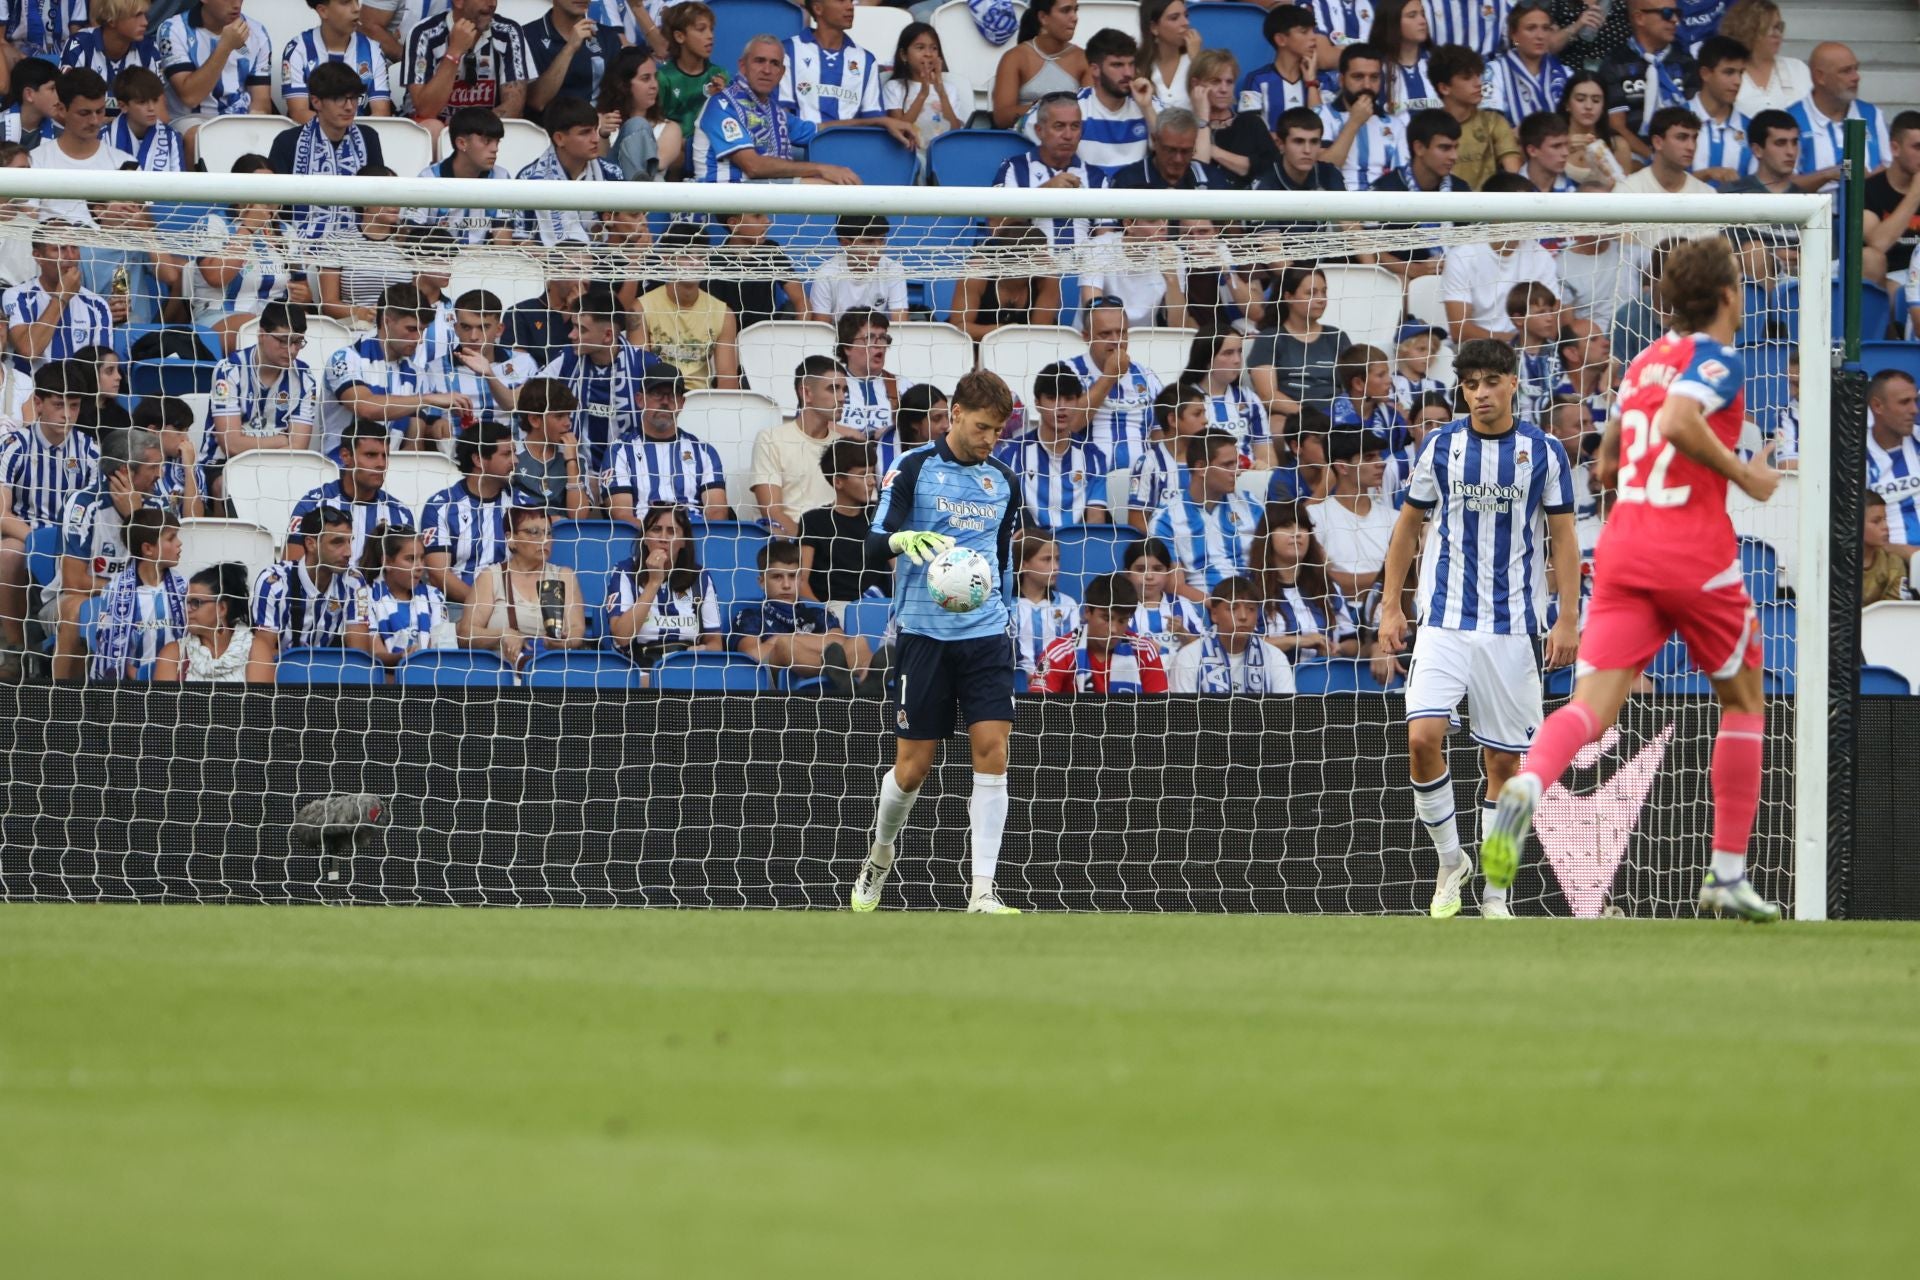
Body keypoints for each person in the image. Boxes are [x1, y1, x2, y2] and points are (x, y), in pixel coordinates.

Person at [1482, 236, 1784, 922]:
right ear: (1729, 296)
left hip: (1622, 550)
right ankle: (1728, 874)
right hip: (1692, 552)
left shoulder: (1645, 361)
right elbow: (1679, 422)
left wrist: (1624, 472)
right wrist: (1745, 475)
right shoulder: (1719, 361)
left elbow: (1609, 457)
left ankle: (1527, 786)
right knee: (1742, 702)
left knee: (1590, 712)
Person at [1373, 338, 1579, 919]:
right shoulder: (1440, 446)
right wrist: (1392, 607)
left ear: (1513, 383)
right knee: (1420, 737)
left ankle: (1496, 894)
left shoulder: (1543, 452)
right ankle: (1450, 858)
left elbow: (1563, 539)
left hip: (1513, 629)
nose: (1481, 394)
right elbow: (1407, 528)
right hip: (1443, 620)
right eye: (1470, 385)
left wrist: (1567, 616)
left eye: (1491, 382)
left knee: (1506, 768)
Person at [854, 369, 1021, 914]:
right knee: (913, 767)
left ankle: (982, 891)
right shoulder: (913, 468)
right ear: (953, 415)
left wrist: (1003, 607)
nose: (989, 439)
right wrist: (902, 538)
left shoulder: (1003, 480)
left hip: (986, 634)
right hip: (924, 635)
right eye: (981, 427)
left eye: (997, 430)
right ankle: (880, 856)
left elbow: (1001, 556)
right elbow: (874, 544)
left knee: (993, 750)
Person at [0, 361, 99, 667]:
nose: (67, 414)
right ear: (39, 404)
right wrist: (38, 542)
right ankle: (16, 647)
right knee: (8, 554)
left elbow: (97, 512)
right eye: (59, 405)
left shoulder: (90, 450)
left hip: (76, 543)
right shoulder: (14, 446)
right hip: (25, 534)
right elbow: (1, 512)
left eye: (74, 405)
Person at [54, 424, 164, 679]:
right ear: (126, 469)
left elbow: (162, 572)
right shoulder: (83, 505)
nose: (159, 475)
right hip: (77, 600)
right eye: (152, 467)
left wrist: (135, 519)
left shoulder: (156, 505)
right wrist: (128, 590)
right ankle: (60, 697)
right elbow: (73, 583)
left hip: (141, 597)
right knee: (77, 608)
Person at [690, 35, 855, 185]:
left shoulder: (774, 111)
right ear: (742, 66)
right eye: (759, 61)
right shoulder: (721, 105)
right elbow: (753, 166)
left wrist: (876, 121)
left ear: (781, 73)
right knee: (826, 188)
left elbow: (820, 129)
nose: (767, 70)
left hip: (762, 194)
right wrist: (822, 169)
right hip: (721, 202)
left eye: (774, 63)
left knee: (839, 187)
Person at [534, 286, 662, 474]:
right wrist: (489, 375)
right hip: (578, 471)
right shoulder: (568, 359)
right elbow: (518, 400)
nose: (571, 335)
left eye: (581, 329)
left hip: (635, 472)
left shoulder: (645, 366)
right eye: (573, 326)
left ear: (607, 335)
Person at [199, 301, 318, 503]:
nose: (291, 350)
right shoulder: (229, 370)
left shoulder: (305, 378)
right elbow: (231, 445)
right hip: (223, 463)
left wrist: (260, 445)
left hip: (280, 464)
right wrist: (280, 440)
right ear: (262, 334)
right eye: (283, 340)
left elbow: (298, 447)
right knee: (226, 487)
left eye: (298, 342)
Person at [728, 539, 878, 692]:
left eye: (792, 576)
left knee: (858, 642)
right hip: (773, 684)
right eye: (777, 577)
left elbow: (838, 640)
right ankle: (840, 674)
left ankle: (869, 682)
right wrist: (787, 643)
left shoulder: (818, 613)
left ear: (800, 579)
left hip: (818, 672)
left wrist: (782, 639)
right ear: (761, 582)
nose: (786, 585)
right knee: (786, 646)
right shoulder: (749, 615)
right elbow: (752, 654)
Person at [456, 501, 586, 665]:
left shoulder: (564, 576)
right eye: (534, 532)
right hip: (501, 672)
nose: (544, 539)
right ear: (511, 539)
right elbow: (465, 634)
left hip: (552, 670)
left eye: (548, 533)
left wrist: (564, 642)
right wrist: (502, 635)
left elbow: (577, 630)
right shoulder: (491, 576)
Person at [246, 505, 367, 681]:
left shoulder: (355, 582)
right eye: (337, 542)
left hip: (329, 681)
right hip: (281, 680)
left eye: (350, 541)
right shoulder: (272, 582)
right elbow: (263, 653)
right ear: (311, 543)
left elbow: (359, 658)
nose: (349, 552)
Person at [781, 0, 915, 149]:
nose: (850, 7)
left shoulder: (866, 59)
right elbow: (783, 119)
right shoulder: (788, 51)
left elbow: (873, 119)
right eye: (841, 1)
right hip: (802, 148)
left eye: (851, 1)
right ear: (818, 8)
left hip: (851, 149)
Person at [605, 502, 724, 670]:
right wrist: (654, 582)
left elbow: (715, 643)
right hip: (638, 670)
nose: (663, 538)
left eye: (672, 531)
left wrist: (702, 649)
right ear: (645, 538)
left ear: (683, 540)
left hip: (688, 668)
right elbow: (622, 637)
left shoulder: (700, 576)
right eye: (656, 529)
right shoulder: (626, 571)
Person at [603, 366, 729, 523]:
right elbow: (621, 514)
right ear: (640, 399)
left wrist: (683, 541)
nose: (665, 401)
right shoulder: (619, 450)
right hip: (641, 539)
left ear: (682, 402)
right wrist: (657, 538)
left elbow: (717, 512)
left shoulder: (704, 452)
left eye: (673, 395)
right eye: (657, 394)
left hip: (694, 537)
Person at [1440, 180, 1560, 341]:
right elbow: (1459, 331)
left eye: (1531, 208)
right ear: (1494, 210)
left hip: (1529, 349)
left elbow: (1552, 326)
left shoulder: (1541, 256)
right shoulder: (1462, 256)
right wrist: (1513, 342)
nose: (1528, 215)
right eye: (1521, 208)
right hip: (1479, 352)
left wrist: (1521, 346)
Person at [288, 417, 415, 567]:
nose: (381, 464)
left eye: (385, 456)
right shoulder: (313, 505)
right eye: (371, 455)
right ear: (345, 456)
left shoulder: (400, 514)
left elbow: (407, 580)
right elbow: (294, 571)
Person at [1151, 431, 1260, 600]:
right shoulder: (1166, 519)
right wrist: (1218, 606)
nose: (1237, 472)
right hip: (1202, 610)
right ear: (1201, 468)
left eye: (1236, 464)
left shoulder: (1250, 504)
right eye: (1227, 465)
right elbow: (1174, 585)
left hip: (1255, 603)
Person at [1000, 361, 1108, 529]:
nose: (1061, 407)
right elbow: (1006, 518)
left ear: (1079, 401)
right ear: (1037, 402)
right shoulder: (1011, 455)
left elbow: (1096, 521)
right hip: (1028, 549)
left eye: (1069, 398)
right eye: (1052, 398)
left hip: (1077, 548)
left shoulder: (1094, 457)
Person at [418, 420, 515, 607]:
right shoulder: (441, 506)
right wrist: (484, 606)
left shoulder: (522, 504)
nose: (515, 461)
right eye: (506, 454)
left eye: (514, 453)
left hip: (511, 608)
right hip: (457, 608)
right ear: (478, 459)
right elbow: (439, 575)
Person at [1251, 500, 1360, 663]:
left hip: (1323, 679)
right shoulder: (1250, 589)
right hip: (1270, 683)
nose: (1297, 533)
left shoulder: (1327, 587)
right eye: (1286, 526)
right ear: (1267, 535)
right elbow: (1242, 645)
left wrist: (1339, 648)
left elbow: (1353, 642)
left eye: (1303, 527)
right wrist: (1298, 641)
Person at [991, 93, 1104, 249]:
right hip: (1032, 269)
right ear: (1039, 130)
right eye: (1059, 126)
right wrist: (1045, 192)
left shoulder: (1096, 177)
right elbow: (996, 226)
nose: (1068, 135)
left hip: (1085, 270)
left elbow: (1106, 238)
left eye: (1075, 126)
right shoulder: (1015, 168)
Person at [751, 354, 844, 538]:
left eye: (844, 390)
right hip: (790, 547)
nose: (842, 397)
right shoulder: (771, 439)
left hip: (839, 547)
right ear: (806, 393)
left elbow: (862, 510)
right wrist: (811, 546)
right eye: (833, 389)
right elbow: (772, 512)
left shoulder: (844, 446)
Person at [1032, 570, 1168, 694]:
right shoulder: (1059, 653)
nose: (1114, 629)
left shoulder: (1144, 652)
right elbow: (1037, 711)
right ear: (1087, 612)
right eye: (1106, 618)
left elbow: (1160, 713)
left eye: (1122, 621)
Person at [1064, 297, 1163, 464]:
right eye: (1105, 334)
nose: (1116, 341)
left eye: (1121, 332)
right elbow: (1070, 425)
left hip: (1141, 482)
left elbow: (1161, 436)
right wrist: (1109, 376)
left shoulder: (1147, 376)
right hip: (1087, 481)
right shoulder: (1068, 372)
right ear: (1086, 336)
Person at [5, 226, 114, 375]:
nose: (70, 256)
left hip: (80, 394)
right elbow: (29, 350)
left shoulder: (97, 305)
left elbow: (101, 368)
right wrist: (62, 295)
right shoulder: (17, 296)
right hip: (31, 393)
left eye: (74, 247)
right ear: (38, 256)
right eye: (60, 248)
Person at [1249, 267, 1351, 427]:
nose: (1321, 299)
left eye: (1324, 292)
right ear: (1289, 297)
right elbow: (1268, 395)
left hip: (1338, 414)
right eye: (1311, 293)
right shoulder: (1269, 338)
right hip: (1293, 418)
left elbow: (1354, 384)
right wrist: (1311, 417)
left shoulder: (1337, 336)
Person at [402, 0, 533, 124]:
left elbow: (514, 106)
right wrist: (454, 52)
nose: (492, 3)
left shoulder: (509, 32)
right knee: (433, 127)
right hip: (432, 132)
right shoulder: (424, 33)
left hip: (486, 134)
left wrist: (472, 130)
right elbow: (426, 111)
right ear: (459, 1)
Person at [1598, 0, 1698, 159]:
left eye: (1677, 13)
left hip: (1683, 156)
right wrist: (1653, 159)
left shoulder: (1686, 62)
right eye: (1666, 13)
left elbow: (1696, 117)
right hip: (1635, 159)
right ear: (1639, 18)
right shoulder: (1615, 63)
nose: (1674, 20)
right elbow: (1617, 126)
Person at [155, 0, 273, 132]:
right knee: (196, 138)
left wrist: (255, 125)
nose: (237, 5)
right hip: (190, 119)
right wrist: (225, 47)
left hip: (240, 118)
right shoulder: (173, 29)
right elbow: (190, 97)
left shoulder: (258, 32)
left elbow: (261, 100)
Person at [1787, 41, 1890, 192]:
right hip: (1813, 213)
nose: (1856, 77)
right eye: (1846, 71)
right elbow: (1783, 185)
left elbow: (1891, 168)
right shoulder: (1791, 119)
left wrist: (1864, 181)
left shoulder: (1872, 115)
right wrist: (1829, 175)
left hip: (1868, 213)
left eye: (1856, 69)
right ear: (1820, 77)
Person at [1308, 430, 1396, 606]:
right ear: (1342, 467)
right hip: (1337, 615)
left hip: (1387, 614)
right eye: (1369, 457)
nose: (1381, 463)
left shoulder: (1395, 518)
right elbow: (1318, 580)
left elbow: (1412, 578)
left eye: (1380, 456)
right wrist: (1389, 577)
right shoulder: (1315, 515)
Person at [797, 437, 890, 604]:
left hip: (878, 606)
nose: (871, 481)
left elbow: (898, 569)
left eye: (872, 473)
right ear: (838, 481)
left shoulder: (879, 514)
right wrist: (825, 615)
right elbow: (801, 581)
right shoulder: (813, 521)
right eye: (862, 475)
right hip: (832, 609)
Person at [1169, 575, 1297, 695]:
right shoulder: (1189, 657)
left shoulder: (1274, 657)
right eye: (1233, 608)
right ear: (1214, 614)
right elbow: (1183, 715)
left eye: (1251, 609)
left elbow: (1286, 711)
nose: (1243, 616)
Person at [346, 522, 449, 667]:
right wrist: (401, 657)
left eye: (421, 558)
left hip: (429, 677)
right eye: (411, 559)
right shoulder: (365, 595)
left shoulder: (434, 596)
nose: (420, 566)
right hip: (386, 681)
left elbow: (441, 648)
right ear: (387, 562)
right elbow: (375, 654)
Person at [407, 107, 512, 245]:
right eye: (487, 141)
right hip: (437, 261)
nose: (495, 148)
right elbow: (410, 235)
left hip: (484, 261)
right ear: (462, 143)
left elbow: (503, 244)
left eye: (497, 142)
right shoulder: (428, 179)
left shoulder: (501, 178)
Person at [282, 0, 393, 122]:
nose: (356, 8)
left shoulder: (373, 50)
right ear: (323, 11)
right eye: (346, 2)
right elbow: (299, 113)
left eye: (356, 1)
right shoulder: (299, 49)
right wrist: (338, 131)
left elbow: (381, 114)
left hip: (361, 138)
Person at [1186, 48, 1281, 185]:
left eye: (1229, 82)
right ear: (1196, 84)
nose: (1224, 89)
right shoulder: (1184, 126)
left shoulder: (1251, 123)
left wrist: (1212, 151)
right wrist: (1202, 118)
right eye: (1215, 81)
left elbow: (1270, 167)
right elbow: (1199, 170)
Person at [950, 225, 1061, 341]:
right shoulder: (976, 274)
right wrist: (1006, 331)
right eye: (1042, 255)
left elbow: (1039, 335)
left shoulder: (1048, 278)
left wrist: (1011, 333)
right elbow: (959, 328)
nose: (1049, 260)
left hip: (1025, 349)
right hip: (975, 349)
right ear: (1021, 259)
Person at [1318, 42, 1402, 191]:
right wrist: (1354, 122)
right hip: (1334, 207)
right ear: (1342, 80)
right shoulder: (1320, 116)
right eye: (1358, 77)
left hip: (1382, 208)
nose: (1367, 85)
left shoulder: (1395, 125)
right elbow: (1323, 169)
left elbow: (1401, 178)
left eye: (1374, 77)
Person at [704, 211, 807, 330]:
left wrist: (799, 340)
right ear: (734, 224)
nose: (768, 221)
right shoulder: (715, 262)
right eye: (757, 216)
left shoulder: (771, 251)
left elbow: (801, 301)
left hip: (769, 338)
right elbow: (714, 319)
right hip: (731, 341)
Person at [991, 0, 1086, 130]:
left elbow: (1090, 113)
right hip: (1023, 144)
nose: (1074, 18)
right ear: (1043, 17)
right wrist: (1048, 108)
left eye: (1075, 10)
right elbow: (1002, 118)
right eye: (1065, 10)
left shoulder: (1083, 59)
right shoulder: (1015, 58)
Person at [152, 561, 253, 682]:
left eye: (195, 603)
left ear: (222, 608)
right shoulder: (173, 654)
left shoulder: (254, 649)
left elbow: (258, 701)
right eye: (186, 602)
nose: (187, 609)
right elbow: (164, 701)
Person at [524, 0, 624, 119]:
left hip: (598, 131)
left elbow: (621, 95)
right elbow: (537, 101)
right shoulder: (527, 36)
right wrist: (570, 48)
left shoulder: (608, 38)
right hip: (548, 131)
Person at [1187, 330, 1272, 468]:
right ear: (1207, 359)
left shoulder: (1249, 398)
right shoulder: (1185, 399)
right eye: (1228, 353)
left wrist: (1265, 468)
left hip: (1248, 478)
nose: (1237, 360)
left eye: (1239, 352)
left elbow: (1265, 451)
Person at [1074, 27, 1151, 178]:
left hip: (1136, 197)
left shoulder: (1147, 103)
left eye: (1131, 64)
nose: (1128, 73)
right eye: (1118, 65)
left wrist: (1147, 108)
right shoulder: (1075, 107)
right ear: (1095, 69)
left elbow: (1172, 149)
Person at [884, 21, 972, 149]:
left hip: (941, 154)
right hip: (908, 154)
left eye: (934, 48)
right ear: (904, 55)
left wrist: (941, 92)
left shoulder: (949, 89)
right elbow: (900, 130)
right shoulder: (894, 87)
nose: (928, 54)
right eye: (920, 48)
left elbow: (954, 131)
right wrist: (922, 94)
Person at [806, 214, 909, 324]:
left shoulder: (892, 269)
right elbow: (821, 331)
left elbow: (901, 326)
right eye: (869, 242)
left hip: (878, 339)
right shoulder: (826, 275)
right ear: (845, 244)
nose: (878, 248)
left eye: (882, 239)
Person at [598, 47, 682, 181]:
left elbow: (656, 165)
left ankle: (638, 192)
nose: (654, 85)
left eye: (655, 77)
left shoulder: (670, 129)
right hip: (611, 193)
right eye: (645, 78)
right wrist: (603, 136)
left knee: (637, 124)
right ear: (623, 84)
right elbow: (597, 167)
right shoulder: (600, 121)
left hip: (650, 194)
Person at [509, 376, 587, 517]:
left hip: (565, 536)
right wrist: (548, 521)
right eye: (559, 416)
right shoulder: (511, 455)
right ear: (534, 420)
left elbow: (579, 517)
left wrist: (571, 462)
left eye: (568, 415)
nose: (568, 423)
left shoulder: (577, 458)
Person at [1005, 526, 1075, 678]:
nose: (1056, 567)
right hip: (1018, 688)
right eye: (1046, 559)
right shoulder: (1008, 606)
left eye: (1057, 559)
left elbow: (1074, 652)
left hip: (1059, 689)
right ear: (1024, 564)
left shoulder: (1067, 605)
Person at [833, 308, 912, 438]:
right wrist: (855, 435)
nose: (879, 345)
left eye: (882, 338)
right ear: (847, 346)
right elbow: (807, 423)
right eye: (870, 338)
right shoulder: (827, 384)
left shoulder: (903, 386)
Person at [1486, 4, 1570, 126]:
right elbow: (1490, 124)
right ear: (1513, 35)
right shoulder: (1494, 71)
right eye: (1531, 28)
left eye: (1545, 28)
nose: (1540, 36)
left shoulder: (1565, 73)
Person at [1721, 0, 1807, 117]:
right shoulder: (1726, 73)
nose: (1777, 34)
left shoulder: (1797, 69)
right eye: (1769, 28)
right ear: (1747, 30)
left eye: (1779, 27)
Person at [1242, 6, 1321, 132]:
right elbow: (1248, 129)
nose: (1314, 37)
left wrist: (1311, 83)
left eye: (1313, 30)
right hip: (1269, 151)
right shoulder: (1257, 80)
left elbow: (1323, 129)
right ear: (1281, 39)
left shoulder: (1322, 81)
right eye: (1304, 31)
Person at [1687, 33, 1752, 185]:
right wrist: (1707, 174)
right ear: (1705, 74)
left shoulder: (1750, 127)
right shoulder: (1673, 120)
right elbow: (1661, 184)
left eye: (1741, 73)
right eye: (1729, 72)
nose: (1737, 81)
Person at [1122, 536, 1205, 654]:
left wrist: (1181, 632)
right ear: (1127, 574)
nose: (1149, 576)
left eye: (1157, 569)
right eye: (1141, 569)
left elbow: (1204, 649)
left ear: (1168, 572)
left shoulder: (1182, 604)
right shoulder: (1120, 607)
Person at [1863, 111, 1920, 280]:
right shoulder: (1870, 189)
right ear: (1895, 148)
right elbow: (1878, 244)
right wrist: (1915, 194)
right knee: (1869, 257)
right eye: (1917, 147)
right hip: (1887, 279)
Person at [1866, 370, 1920, 549]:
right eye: (1905, 402)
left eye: (1915, 401)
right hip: (1889, 567)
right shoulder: (1856, 457)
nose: (1914, 410)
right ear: (1877, 406)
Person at [1108, 108, 1222, 191]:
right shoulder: (1128, 181)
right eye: (1170, 150)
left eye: (1186, 151)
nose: (1178, 159)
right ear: (1154, 140)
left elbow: (1233, 223)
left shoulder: (1211, 179)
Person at [656, 0, 724, 138]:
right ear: (680, 36)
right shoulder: (663, 78)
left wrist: (722, 97)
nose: (710, 36)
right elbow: (655, 128)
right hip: (675, 152)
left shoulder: (720, 75)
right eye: (701, 29)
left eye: (711, 29)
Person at [104, 66, 188, 171]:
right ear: (123, 106)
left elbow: (178, 183)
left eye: (155, 100)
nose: (151, 108)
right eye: (142, 102)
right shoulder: (103, 137)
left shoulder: (172, 137)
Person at [1559, 69, 1631, 190]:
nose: (1588, 106)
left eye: (1596, 100)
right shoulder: (1553, 142)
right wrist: (1563, 148)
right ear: (1567, 104)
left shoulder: (1618, 145)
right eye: (1580, 99)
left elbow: (1625, 192)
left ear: (1604, 106)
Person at [1615, 105, 1711, 195]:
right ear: (1658, 142)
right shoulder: (1628, 191)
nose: (1691, 147)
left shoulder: (1707, 194)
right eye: (1681, 137)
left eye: (1694, 138)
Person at [1249, 105, 1345, 193]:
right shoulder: (1265, 185)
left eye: (1314, 142)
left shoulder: (1330, 175)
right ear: (1281, 144)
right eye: (1298, 142)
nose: (1307, 150)